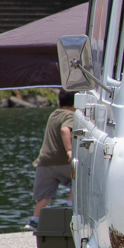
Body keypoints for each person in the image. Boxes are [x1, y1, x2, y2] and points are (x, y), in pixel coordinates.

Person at [26, 91, 76, 232]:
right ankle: (70, 205)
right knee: (79, 178)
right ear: (75, 104)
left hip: (45, 162)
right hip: (63, 162)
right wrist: (70, 150)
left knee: (44, 195)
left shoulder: (54, 114)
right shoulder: (70, 115)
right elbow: (65, 130)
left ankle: (34, 221)